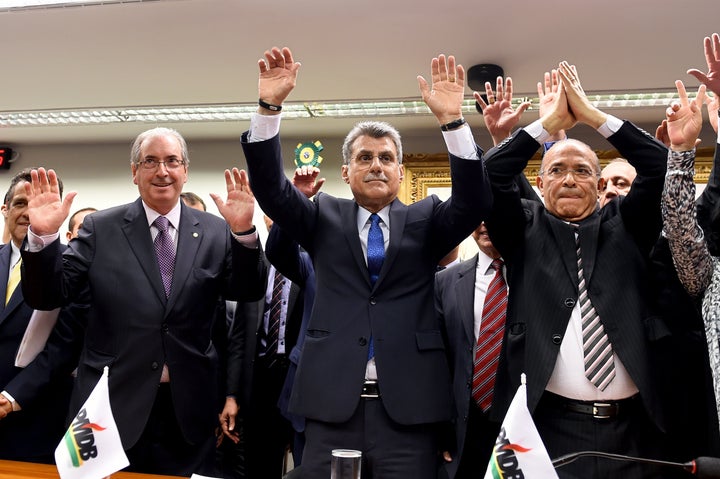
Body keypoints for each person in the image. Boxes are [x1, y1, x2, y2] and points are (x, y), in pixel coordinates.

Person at [241, 47, 491, 478]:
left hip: (410, 414)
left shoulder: (425, 217)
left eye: (386, 158)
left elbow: (472, 203)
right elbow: (271, 190)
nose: (376, 165)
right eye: (364, 157)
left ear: (399, 171)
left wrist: (453, 122)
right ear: (346, 171)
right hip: (330, 406)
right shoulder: (323, 217)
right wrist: (269, 108)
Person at [0, 127, 267, 477]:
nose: (162, 171)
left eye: (172, 161)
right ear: (134, 172)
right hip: (110, 409)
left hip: (188, 411)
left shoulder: (217, 230)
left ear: (185, 170)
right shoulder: (101, 228)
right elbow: (48, 295)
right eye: (150, 161)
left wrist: (245, 233)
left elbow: (247, 290)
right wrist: (45, 238)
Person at [484, 61, 671, 478]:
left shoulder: (627, 223)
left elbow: (660, 164)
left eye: (582, 170)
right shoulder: (522, 228)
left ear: (599, 182)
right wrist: (545, 125)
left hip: (634, 430)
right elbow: (491, 173)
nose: (569, 179)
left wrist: (591, 116)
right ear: (541, 181)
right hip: (547, 429)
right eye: (557, 170)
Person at [0, 168, 73, 463]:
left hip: (37, 421)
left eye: (40, 204)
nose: (29, 213)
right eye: (20, 203)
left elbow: (66, 345)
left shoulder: (74, 265)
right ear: (5, 210)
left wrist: (9, 398)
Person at [223, 214, 304, 478]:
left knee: (303, 463)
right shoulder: (255, 265)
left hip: (296, 378)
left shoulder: (312, 265)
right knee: (259, 464)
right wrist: (232, 395)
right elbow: (238, 339)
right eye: (272, 211)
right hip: (258, 379)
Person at [435, 222, 504, 479]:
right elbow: (437, 361)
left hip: (522, 422)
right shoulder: (445, 282)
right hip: (464, 426)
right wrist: (440, 427)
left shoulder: (536, 273)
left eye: (492, 213)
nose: (485, 223)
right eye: (478, 216)